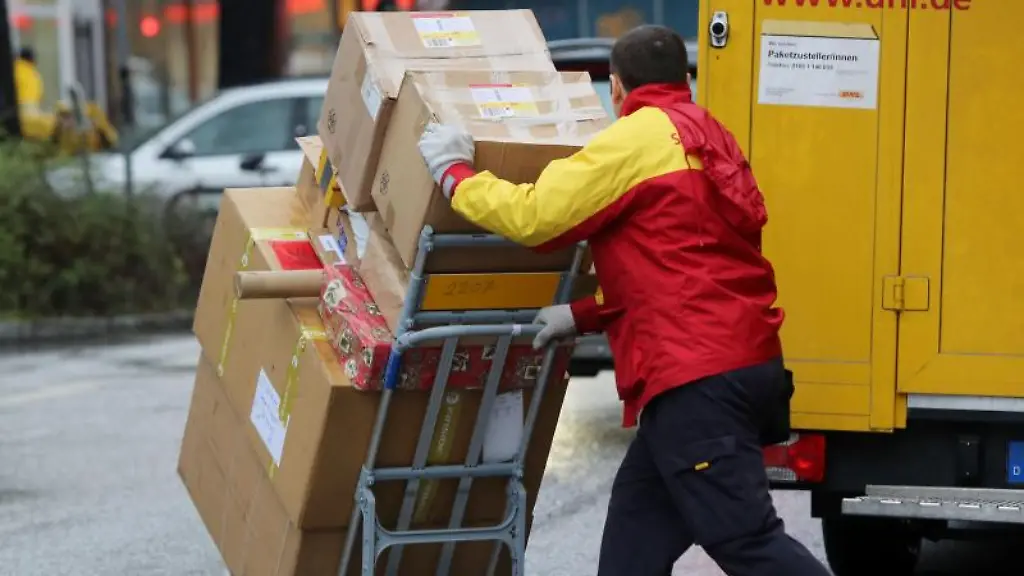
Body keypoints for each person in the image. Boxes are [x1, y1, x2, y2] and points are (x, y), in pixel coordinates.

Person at [416, 24, 831, 576]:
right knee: (631, 553)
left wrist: (454, 175)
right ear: (683, 79)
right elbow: (686, 262)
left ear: (616, 88)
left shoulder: (633, 141)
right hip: (741, 365)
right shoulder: (711, 135)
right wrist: (583, 314)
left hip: (695, 382)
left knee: (746, 540)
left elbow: (535, 218)